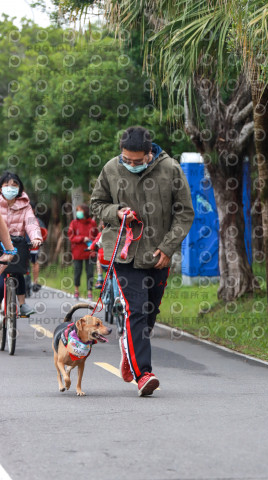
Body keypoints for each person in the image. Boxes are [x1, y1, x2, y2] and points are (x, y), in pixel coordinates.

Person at [91, 126, 194, 396]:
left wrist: (168, 248)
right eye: (127, 159)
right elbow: (97, 203)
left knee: (149, 314)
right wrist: (117, 211)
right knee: (136, 310)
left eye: (137, 161)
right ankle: (144, 374)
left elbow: (184, 212)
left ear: (150, 153)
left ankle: (129, 348)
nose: (131, 165)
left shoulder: (171, 169)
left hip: (158, 255)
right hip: (124, 254)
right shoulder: (111, 168)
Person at [0, 172, 42, 316]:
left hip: (18, 242)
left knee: (18, 273)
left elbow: (31, 223)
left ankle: (22, 304)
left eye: (14, 185)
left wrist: (36, 237)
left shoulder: (25, 205)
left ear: (19, 188)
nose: (10, 188)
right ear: (0, 188)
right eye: (6, 185)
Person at [67, 204, 98, 300]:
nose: (78, 212)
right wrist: (81, 238)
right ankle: (76, 291)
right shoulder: (74, 223)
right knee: (77, 272)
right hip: (77, 252)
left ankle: (89, 292)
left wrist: (94, 247)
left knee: (90, 273)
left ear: (85, 211)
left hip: (90, 252)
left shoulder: (92, 223)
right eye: (77, 211)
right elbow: (71, 237)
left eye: (80, 210)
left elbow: (97, 236)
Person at [26, 202, 47, 292]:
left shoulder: (38, 221)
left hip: (34, 247)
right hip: (22, 245)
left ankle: (35, 282)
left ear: (34, 210)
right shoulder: (20, 219)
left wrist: (39, 241)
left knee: (34, 263)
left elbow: (44, 233)